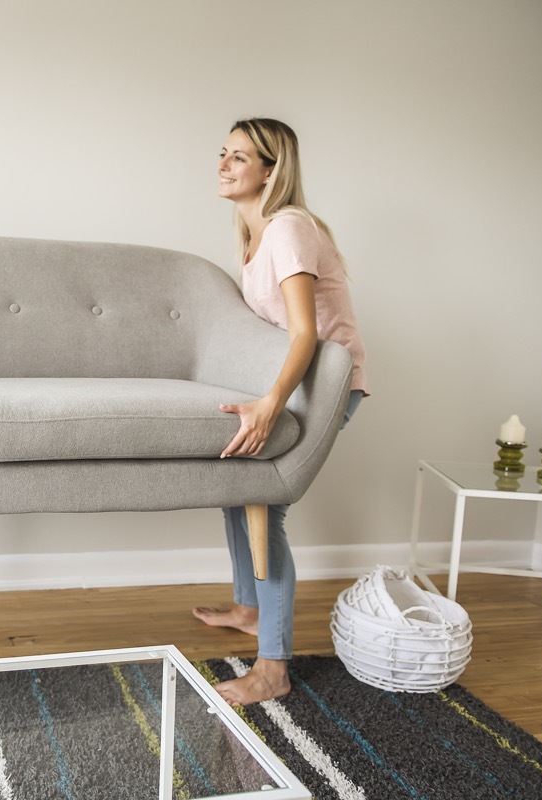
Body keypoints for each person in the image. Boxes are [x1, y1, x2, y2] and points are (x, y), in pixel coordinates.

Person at [192, 118, 369, 706]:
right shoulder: (255, 237)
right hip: (295, 384)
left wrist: (269, 404)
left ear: (271, 171)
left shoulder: (289, 229)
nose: (223, 165)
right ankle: (249, 610)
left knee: (265, 506)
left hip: (325, 386)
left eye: (239, 157)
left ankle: (273, 669)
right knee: (237, 490)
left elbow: (305, 334)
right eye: (223, 153)